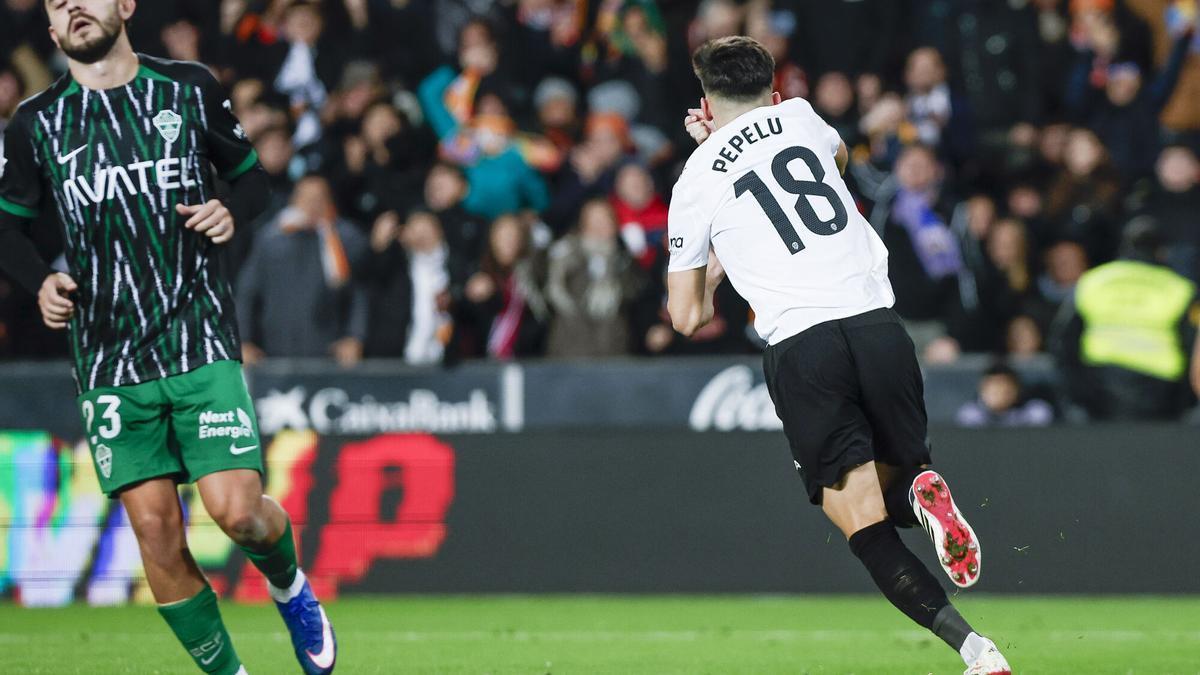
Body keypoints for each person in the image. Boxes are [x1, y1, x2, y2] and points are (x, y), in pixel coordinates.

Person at [0, 2, 335, 673]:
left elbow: (253, 180)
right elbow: (7, 225)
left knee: (237, 512)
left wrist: (228, 208)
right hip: (106, 354)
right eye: (57, 4)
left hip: (197, 332)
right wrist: (39, 281)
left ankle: (290, 585)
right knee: (156, 531)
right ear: (50, 29)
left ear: (123, 5)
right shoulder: (36, 122)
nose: (72, 8)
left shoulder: (188, 87)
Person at [669, 37, 1010, 675]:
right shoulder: (798, 115)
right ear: (770, 88)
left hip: (804, 346)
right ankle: (925, 499)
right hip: (881, 327)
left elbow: (688, 316)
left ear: (706, 102)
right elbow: (838, 157)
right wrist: (741, 145)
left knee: (859, 520)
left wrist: (717, 250)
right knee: (897, 481)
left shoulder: (695, 182)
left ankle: (978, 652)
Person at [1051, 219, 1199, 421]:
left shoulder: (1092, 281)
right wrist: (1183, 403)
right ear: (1161, 251)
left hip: (1099, 389)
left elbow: (1062, 341)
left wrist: (1078, 394)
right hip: (1161, 395)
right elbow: (1194, 349)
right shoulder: (1180, 289)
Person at [237, 175, 368, 367]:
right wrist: (244, 340)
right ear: (294, 201)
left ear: (330, 202)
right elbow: (247, 292)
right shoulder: (271, 238)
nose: (312, 205)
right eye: (306, 198)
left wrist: (354, 336)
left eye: (319, 198)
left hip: (328, 353)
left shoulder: (346, 240)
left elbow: (359, 293)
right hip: (274, 351)